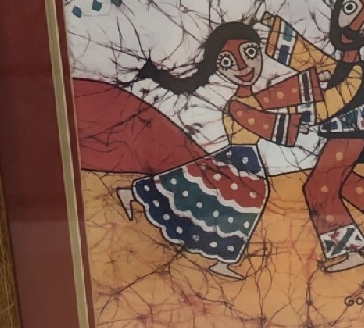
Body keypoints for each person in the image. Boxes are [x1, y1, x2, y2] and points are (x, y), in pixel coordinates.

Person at [129, 22, 325, 280]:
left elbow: (277, 96)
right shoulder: (236, 105)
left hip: (244, 159)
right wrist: (299, 123)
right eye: (227, 62)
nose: (242, 67)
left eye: (250, 53)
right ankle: (223, 258)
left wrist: (314, 85)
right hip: (239, 159)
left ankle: (221, 256)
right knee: (221, 199)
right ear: (217, 67)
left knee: (200, 192)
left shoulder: (250, 97)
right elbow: (263, 123)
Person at [260, 0, 364, 273]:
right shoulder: (341, 65)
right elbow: (306, 57)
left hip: (350, 137)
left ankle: (350, 251)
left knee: (319, 189)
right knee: (341, 182)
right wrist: (271, 29)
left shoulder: (353, 72)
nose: (355, 26)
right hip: (346, 135)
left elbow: (332, 100)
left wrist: (298, 116)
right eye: (350, 9)